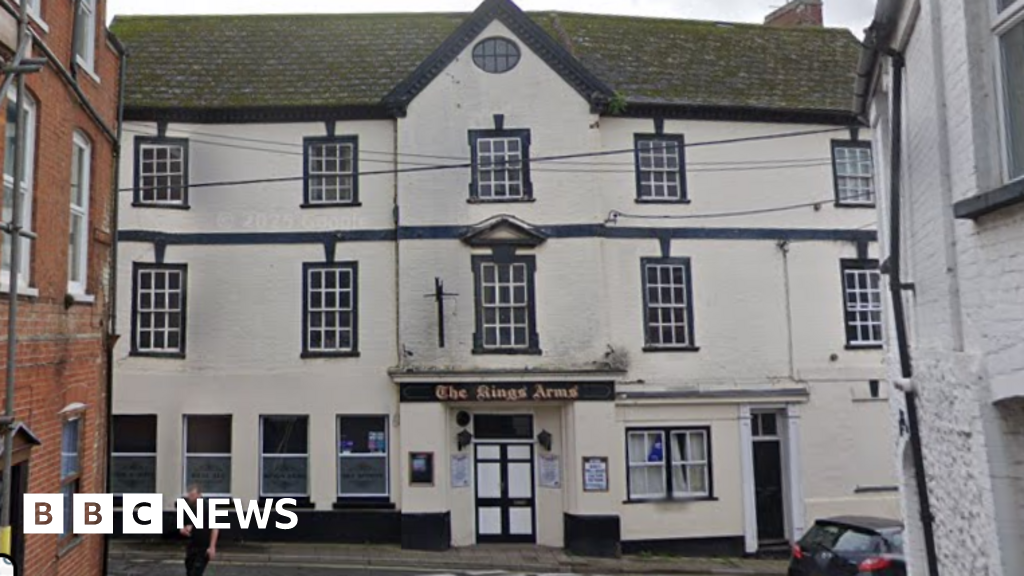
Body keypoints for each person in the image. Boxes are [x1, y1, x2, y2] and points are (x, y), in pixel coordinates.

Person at [180, 484, 219, 576]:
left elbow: (215, 528)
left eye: (192, 495)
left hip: (203, 547)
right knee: (189, 572)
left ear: (199, 494)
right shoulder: (188, 507)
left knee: (195, 573)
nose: (190, 497)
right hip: (191, 545)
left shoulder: (208, 507)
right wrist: (183, 529)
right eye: (189, 495)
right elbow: (184, 523)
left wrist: (212, 547)